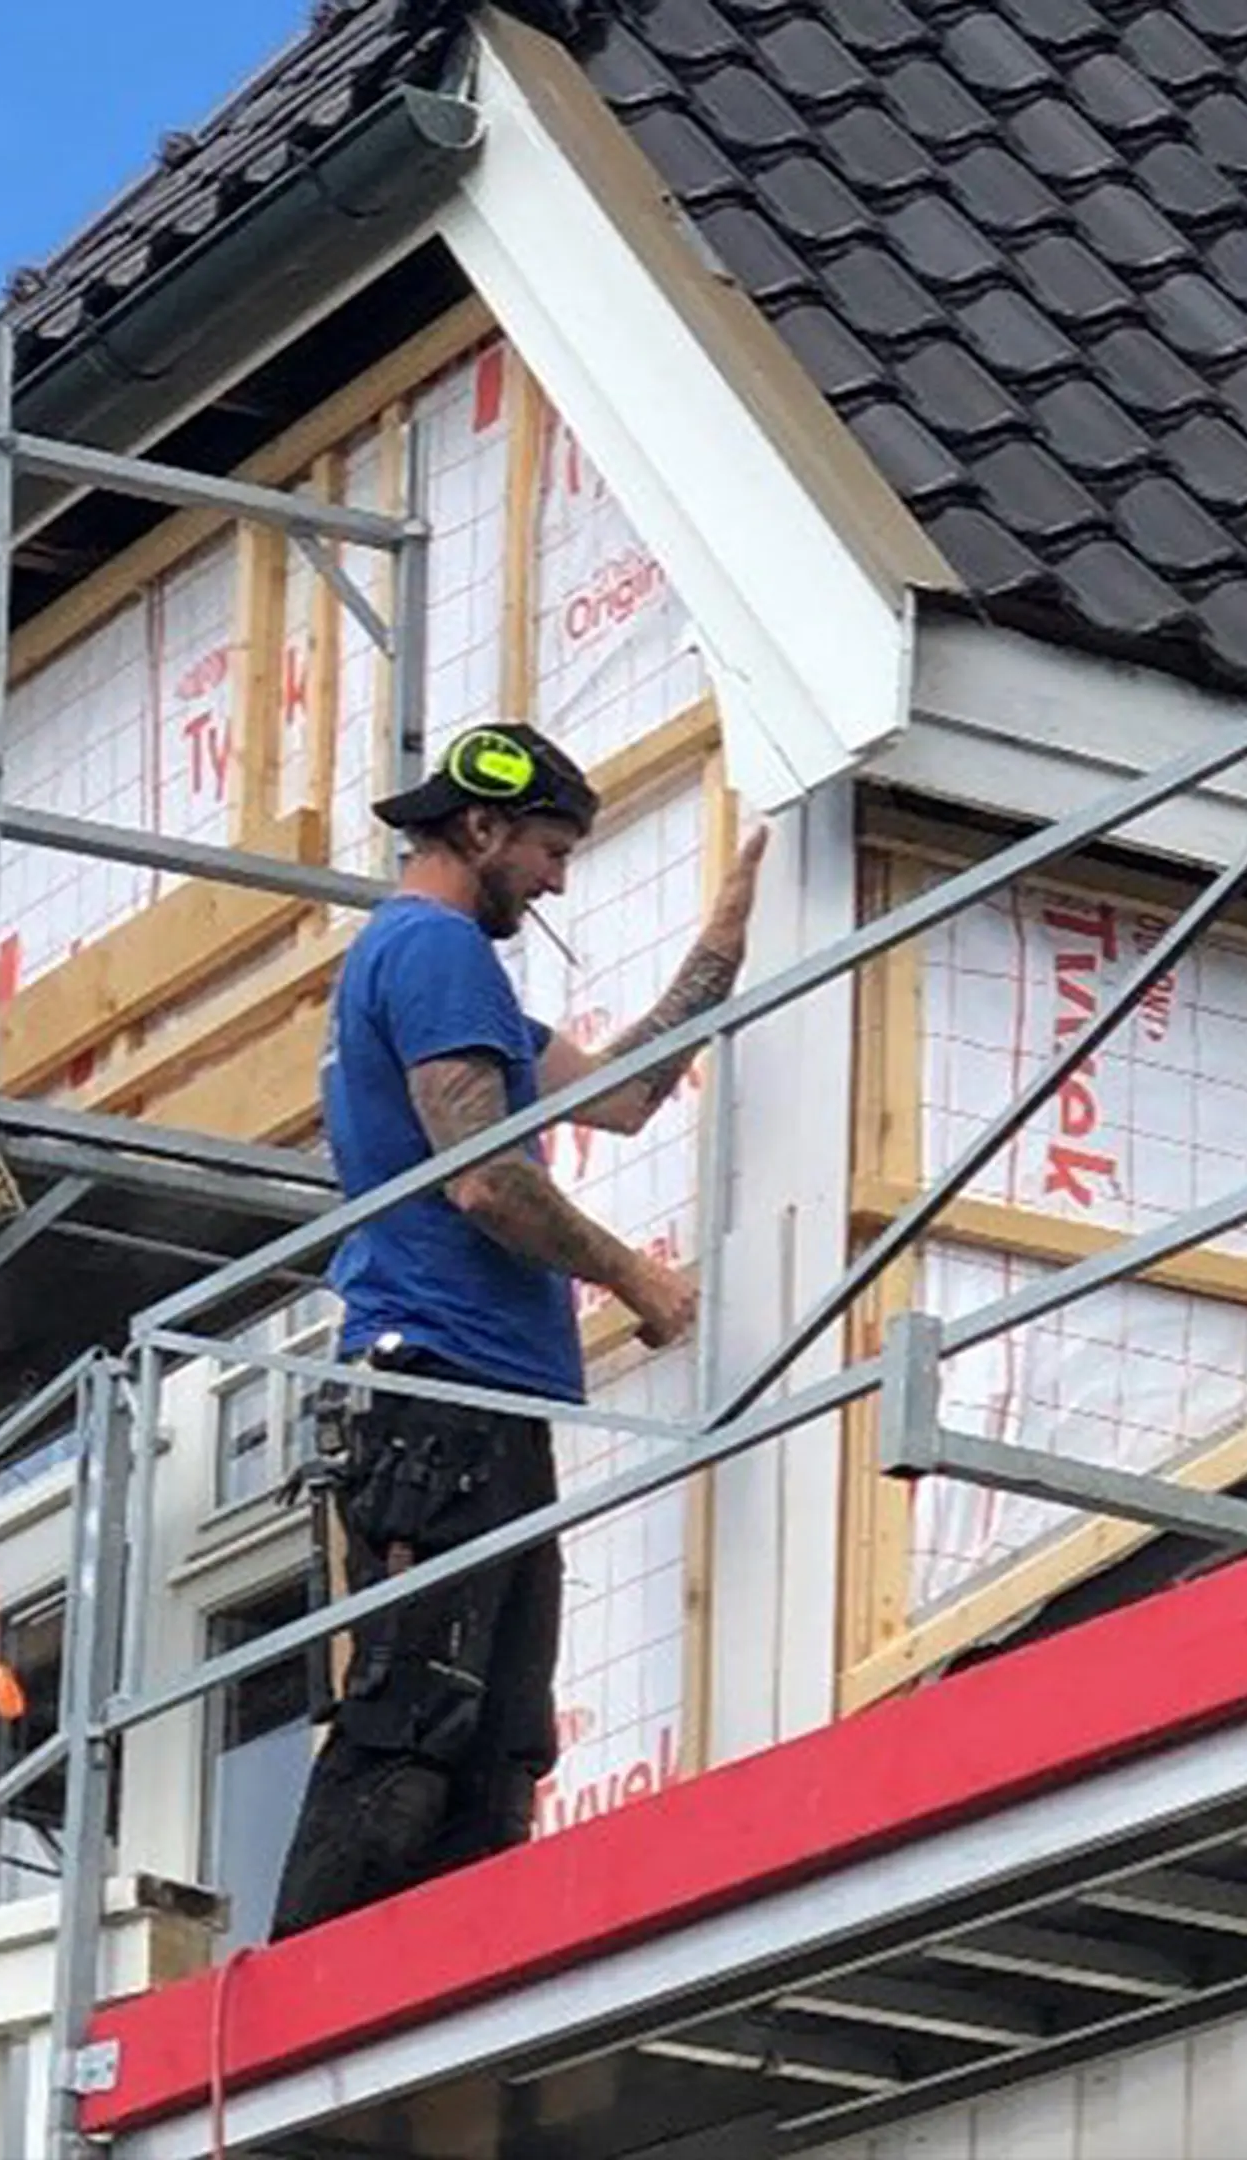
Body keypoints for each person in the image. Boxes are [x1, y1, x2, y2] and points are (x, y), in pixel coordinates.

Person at [264, 716, 766, 1938]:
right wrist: (639, 1283)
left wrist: (724, 943)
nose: (553, 881)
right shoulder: (434, 948)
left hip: (474, 1401)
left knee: (493, 1741)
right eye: (545, 850)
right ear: (478, 828)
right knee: (416, 1720)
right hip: (441, 1393)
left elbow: (626, 1096)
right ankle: (308, 2003)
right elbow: (485, 1178)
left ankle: (426, 1984)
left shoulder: (428, 965)